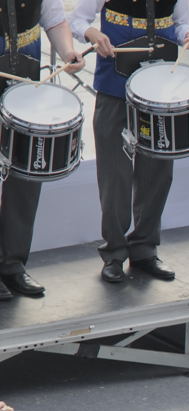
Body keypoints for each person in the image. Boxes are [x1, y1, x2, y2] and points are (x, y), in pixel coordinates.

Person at [70, 0, 189, 283]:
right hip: (114, 88)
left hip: (159, 90)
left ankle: (144, 249)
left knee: (158, 173)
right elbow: (76, 21)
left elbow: (182, 23)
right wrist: (93, 35)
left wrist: (188, 35)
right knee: (115, 176)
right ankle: (114, 253)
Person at [0, 2, 84, 300]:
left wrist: (67, 52)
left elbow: (53, 20)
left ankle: (12, 265)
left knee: (25, 172)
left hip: (25, 69)